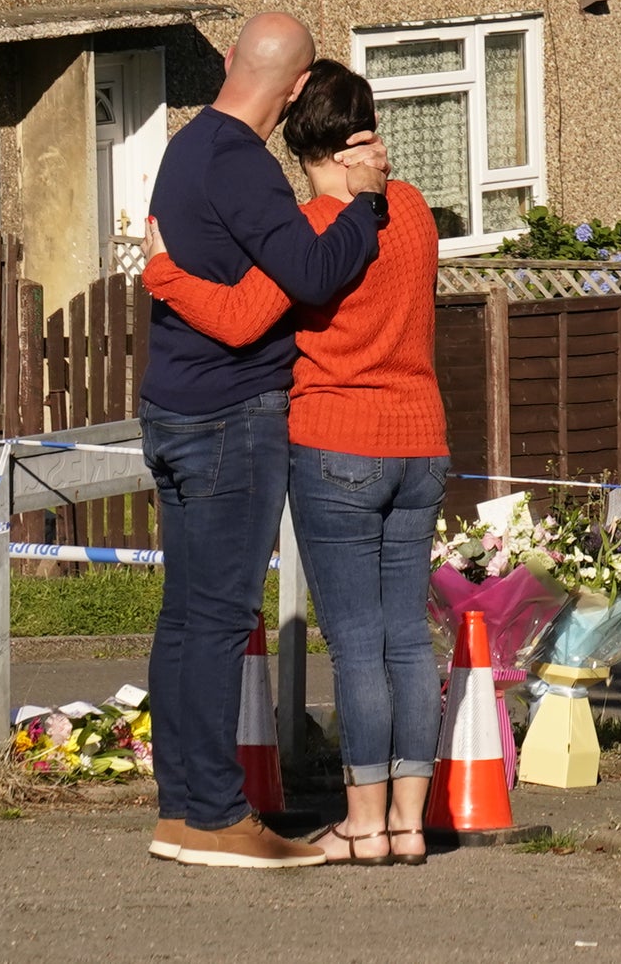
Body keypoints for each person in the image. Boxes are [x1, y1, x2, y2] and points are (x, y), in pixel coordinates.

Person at [146, 60, 445, 866]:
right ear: (364, 134)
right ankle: (413, 823)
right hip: (422, 439)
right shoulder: (411, 208)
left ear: (294, 130)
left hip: (341, 437)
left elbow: (246, 315)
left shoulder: (317, 224)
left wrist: (163, 272)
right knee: (409, 640)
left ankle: (363, 822)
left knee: (354, 643)